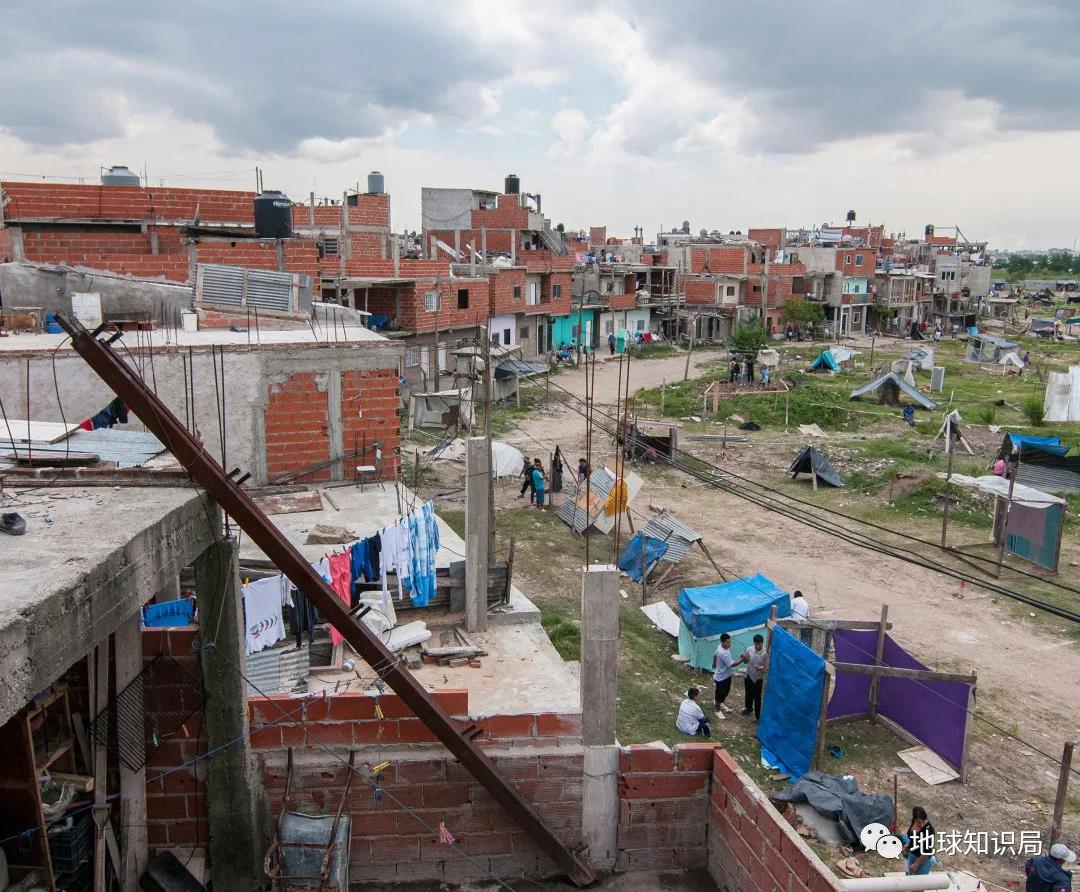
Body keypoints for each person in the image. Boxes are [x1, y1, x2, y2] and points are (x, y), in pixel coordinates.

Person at [900, 806, 938, 875]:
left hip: (923, 859)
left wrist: (916, 864)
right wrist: (908, 845)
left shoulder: (928, 831)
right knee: (909, 876)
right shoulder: (913, 821)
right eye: (919, 822)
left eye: (923, 821)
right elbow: (913, 837)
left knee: (918, 880)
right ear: (914, 819)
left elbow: (927, 852)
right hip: (912, 854)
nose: (922, 825)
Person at [740, 634, 767, 720]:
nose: (758, 646)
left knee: (757, 697)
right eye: (756, 644)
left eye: (759, 644)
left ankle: (757, 716)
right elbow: (746, 661)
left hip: (759, 678)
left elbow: (767, 666)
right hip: (749, 674)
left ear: (762, 643)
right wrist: (743, 658)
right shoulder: (749, 649)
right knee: (748, 693)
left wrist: (761, 667)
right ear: (754, 643)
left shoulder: (766, 653)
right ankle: (748, 709)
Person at [712, 633, 736, 717]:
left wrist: (714, 663)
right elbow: (732, 664)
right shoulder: (723, 652)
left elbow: (714, 655)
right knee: (720, 694)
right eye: (727, 642)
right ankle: (717, 710)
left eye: (730, 642)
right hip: (721, 678)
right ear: (722, 642)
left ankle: (719, 702)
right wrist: (742, 659)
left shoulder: (720, 647)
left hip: (727, 675)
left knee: (726, 691)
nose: (729, 644)